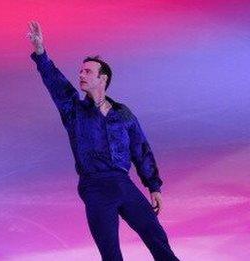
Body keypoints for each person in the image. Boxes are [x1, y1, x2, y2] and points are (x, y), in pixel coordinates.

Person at [27, 21, 180, 261]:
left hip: (123, 184)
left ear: (103, 78)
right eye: (80, 71)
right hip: (95, 187)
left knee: (159, 240)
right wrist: (40, 53)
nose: (81, 75)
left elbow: (141, 150)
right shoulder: (73, 110)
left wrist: (154, 186)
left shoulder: (123, 113)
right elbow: (56, 84)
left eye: (87, 71)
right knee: (111, 255)